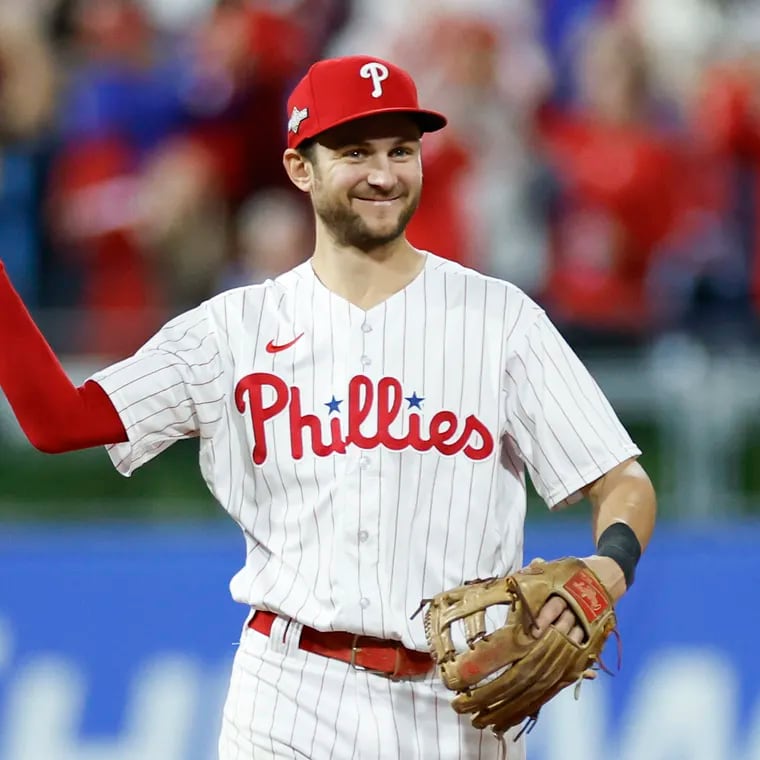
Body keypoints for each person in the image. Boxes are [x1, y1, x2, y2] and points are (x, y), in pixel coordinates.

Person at [0, 55, 657, 759]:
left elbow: (622, 483)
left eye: (401, 150)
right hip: (289, 693)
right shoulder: (231, 331)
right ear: (299, 167)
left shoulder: (500, 321)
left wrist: (604, 572)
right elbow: (58, 420)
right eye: (354, 152)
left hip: (458, 704)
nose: (383, 174)